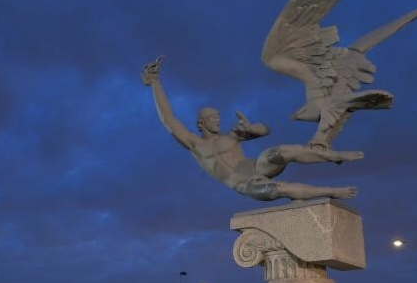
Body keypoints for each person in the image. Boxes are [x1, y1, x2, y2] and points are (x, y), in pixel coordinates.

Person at [142, 57, 360, 201]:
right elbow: (169, 119)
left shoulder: (230, 136)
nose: (218, 120)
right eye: (212, 118)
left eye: (218, 117)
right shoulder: (193, 143)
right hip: (241, 182)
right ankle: (332, 191)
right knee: (279, 189)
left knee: (283, 152)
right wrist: (155, 83)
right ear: (201, 123)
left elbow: (265, 129)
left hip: (257, 165)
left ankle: (334, 155)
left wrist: (253, 129)